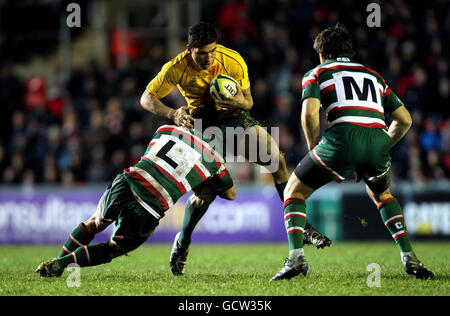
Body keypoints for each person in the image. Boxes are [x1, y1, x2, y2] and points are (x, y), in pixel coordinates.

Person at [140, 21, 331, 276]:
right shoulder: (176, 68)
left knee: (277, 161)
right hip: (202, 126)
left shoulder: (232, 60)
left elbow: (249, 101)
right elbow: (146, 98)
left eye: (212, 51)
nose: (208, 58)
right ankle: (183, 241)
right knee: (205, 194)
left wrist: (234, 100)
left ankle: (302, 227)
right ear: (189, 50)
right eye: (201, 54)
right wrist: (172, 113)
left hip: (234, 119)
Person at [270, 23, 434, 281]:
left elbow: (310, 112)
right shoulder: (374, 75)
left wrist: (314, 146)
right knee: (382, 195)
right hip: (378, 140)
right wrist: (381, 147)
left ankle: (296, 259)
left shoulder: (317, 72)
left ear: (322, 53)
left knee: (293, 191)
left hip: (342, 140)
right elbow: (405, 120)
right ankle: (409, 257)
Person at [35, 124, 236, 277]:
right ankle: (62, 265)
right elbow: (230, 194)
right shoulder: (214, 159)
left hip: (127, 181)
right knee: (113, 248)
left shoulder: (166, 129)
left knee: (94, 223)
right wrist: (206, 178)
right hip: (150, 205)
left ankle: (57, 261)